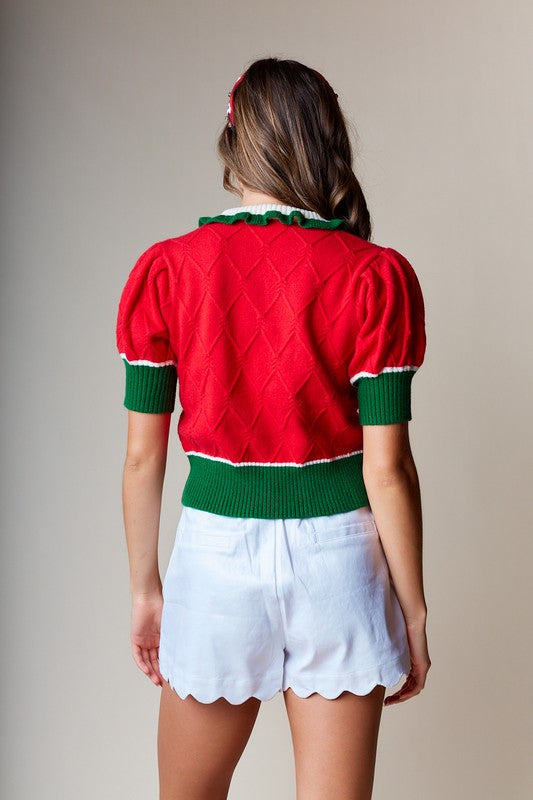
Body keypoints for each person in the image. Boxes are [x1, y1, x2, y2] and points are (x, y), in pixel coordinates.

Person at [116, 56, 431, 800]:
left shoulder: (169, 271)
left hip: (214, 555)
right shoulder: (373, 276)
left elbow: (141, 460)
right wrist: (413, 614)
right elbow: (387, 469)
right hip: (339, 561)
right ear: (327, 142)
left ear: (234, 148)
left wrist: (145, 590)